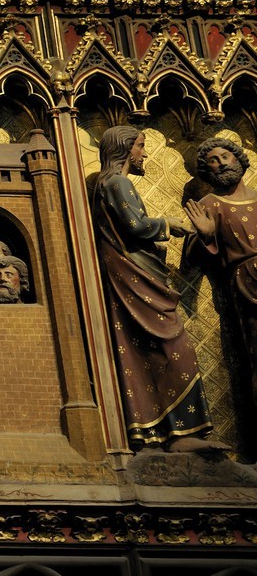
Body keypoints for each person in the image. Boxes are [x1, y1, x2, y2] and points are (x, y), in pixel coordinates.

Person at [92, 125, 225, 455]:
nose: (144, 154)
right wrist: (172, 224)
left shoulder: (106, 185)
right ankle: (182, 431)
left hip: (135, 274)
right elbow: (135, 226)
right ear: (124, 149)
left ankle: (156, 431)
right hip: (136, 276)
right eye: (139, 146)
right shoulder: (117, 182)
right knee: (175, 347)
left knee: (146, 352)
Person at [186, 136, 257, 447]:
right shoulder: (210, 205)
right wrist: (204, 236)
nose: (221, 163)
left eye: (225, 156)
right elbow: (190, 256)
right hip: (248, 280)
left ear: (239, 159)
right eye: (212, 160)